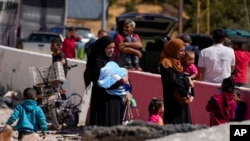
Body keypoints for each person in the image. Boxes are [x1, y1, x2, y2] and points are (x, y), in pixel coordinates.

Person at [85, 36, 125, 126]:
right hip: (102, 99)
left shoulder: (111, 60)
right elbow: (101, 81)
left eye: (113, 47)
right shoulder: (96, 61)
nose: (112, 50)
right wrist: (121, 81)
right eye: (109, 48)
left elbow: (120, 74)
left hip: (113, 98)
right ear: (102, 48)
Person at [159, 38, 194, 124]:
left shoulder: (177, 62)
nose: (183, 53)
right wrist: (187, 80)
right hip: (173, 101)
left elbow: (178, 79)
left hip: (181, 100)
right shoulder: (166, 63)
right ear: (173, 50)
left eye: (184, 51)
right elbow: (171, 81)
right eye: (181, 51)